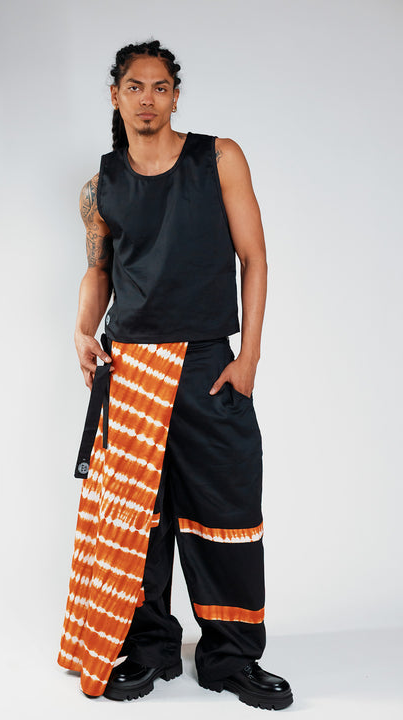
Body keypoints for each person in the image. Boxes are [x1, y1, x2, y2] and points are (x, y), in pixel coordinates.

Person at [57, 39, 294, 711]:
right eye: (135, 87)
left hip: (206, 363)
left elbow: (255, 257)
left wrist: (248, 358)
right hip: (131, 365)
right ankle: (149, 648)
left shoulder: (218, 158)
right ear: (115, 96)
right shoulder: (100, 186)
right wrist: (82, 329)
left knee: (228, 506)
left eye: (160, 87)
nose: (148, 99)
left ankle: (231, 657)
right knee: (140, 520)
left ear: (176, 96)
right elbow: (99, 270)